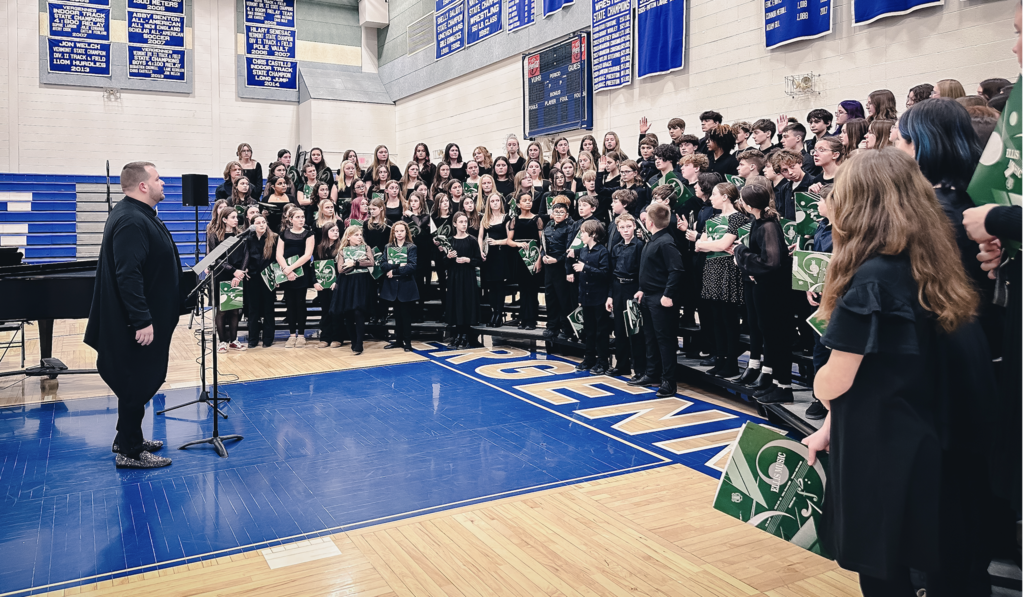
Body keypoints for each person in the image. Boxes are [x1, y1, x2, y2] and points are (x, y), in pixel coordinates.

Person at [801, 149, 991, 596]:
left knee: (886, 572)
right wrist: (831, 426)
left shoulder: (871, 277)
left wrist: (823, 393)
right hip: (933, 439)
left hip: (885, 448)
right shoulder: (932, 263)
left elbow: (834, 381)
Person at [85, 161, 181, 469]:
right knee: (135, 381)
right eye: (157, 178)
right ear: (143, 186)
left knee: (135, 381)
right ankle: (130, 451)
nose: (163, 182)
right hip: (135, 322)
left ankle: (126, 436)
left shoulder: (136, 214)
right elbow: (128, 275)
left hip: (145, 317)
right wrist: (142, 320)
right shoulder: (130, 220)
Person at [732, 183, 792, 403]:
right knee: (769, 335)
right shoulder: (760, 221)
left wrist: (741, 251)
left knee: (777, 336)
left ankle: (784, 386)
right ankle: (776, 382)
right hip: (764, 287)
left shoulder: (767, 225)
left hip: (773, 290)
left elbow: (771, 262)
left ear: (748, 205)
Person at [629, 202, 684, 398]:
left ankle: (669, 381)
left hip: (662, 298)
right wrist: (642, 289)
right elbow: (651, 270)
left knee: (665, 340)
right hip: (649, 295)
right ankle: (652, 373)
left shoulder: (666, 242)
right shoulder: (653, 240)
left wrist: (668, 295)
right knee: (650, 337)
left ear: (650, 222)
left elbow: (676, 270)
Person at [694, 183, 745, 378]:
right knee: (715, 318)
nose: (711, 198)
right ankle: (720, 357)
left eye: (714, 194)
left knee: (728, 318)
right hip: (712, 268)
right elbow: (699, 245)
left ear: (725, 197)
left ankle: (731, 361)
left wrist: (713, 244)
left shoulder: (738, 218)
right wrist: (716, 245)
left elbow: (724, 243)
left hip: (728, 269)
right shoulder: (713, 219)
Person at [606, 211, 646, 379]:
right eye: (622, 227)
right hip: (618, 288)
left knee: (635, 330)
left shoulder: (640, 246)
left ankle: (639, 369)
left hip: (633, 288)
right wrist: (610, 295)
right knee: (620, 330)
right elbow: (611, 273)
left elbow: (643, 271)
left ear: (634, 226)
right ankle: (621, 365)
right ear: (618, 229)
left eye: (629, 226)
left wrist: (641, 289)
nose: (626, 230)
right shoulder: (616, 247)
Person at [572, 220, 611, 373]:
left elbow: (605, 273)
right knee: (588, 330)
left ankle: (602, 362)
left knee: (601, 331)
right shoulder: (582, 251)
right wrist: (580, 298)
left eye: (583, 232)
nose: (581, 235)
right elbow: (582, 279)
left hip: (599, 297)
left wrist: (585, 268)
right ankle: (589, 358)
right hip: (586, 297)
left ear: (593, 234)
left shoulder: (602, 251)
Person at [207, 205, 247, 352]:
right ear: (224, 219)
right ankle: (222, 341)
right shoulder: (215, 235)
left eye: (237, 217)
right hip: (222, 273)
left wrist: (241, 271)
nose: (236, 220)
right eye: (233, 218)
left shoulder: (240, 234)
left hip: (238, 274)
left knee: (235, 308)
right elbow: (216, 258)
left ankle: (234, 340)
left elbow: (246, 254)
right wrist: (234, 270)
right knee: (223, 309)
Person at [331, 225, 376, 355]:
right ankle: (353, 340)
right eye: (356, 235)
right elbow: (340, 269)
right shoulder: (342, 251)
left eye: (360, 234)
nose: (359, 237)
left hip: (362, 282)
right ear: (348, 236)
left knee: (359, 312)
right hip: (347, 283)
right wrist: (354, 263)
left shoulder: (366, 248)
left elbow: (371, 262)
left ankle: (359, 343)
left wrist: (354, 263)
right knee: (348, 313)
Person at [276, 208, 314, 348]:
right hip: (287, 274)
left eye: (303, 217)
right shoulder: (283, 234)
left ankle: (302, 335)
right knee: (290, 305)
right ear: (290, 219)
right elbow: (279, 254)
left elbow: (307, 255)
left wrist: (291, 269)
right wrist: (286, 269)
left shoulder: (308, 234)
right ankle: (292, 335)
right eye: (297, 217)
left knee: (300, 304)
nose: (301, 219)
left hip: (301, 272)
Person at [380, 221, 419, 351]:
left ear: (406, 232)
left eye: (402, 231)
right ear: (393, 233)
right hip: (392, 287)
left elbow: (412, 266)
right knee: (396, 315)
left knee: (406, 316)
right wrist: (399, 265)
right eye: (397, 231)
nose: (399, 233)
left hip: (406, 286)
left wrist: (395, 271)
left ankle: (407, 342)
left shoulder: (411, 247)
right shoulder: (388, 246)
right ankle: (398, 340)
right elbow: (383, 264)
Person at [507, 192, 544, 329]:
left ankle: (531, 320)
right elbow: (509, 241)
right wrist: (519, 244)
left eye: (530, 200)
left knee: (532, 289)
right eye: (525, 200)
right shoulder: (515, 220)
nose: (528, 202)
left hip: (533, 258)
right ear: (518, 204)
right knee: (523, 290)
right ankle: (523, 319)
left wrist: (538, 259)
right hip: (520, 258)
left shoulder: (537, 219)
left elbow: (542, 242)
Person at [445, 212, 482, 347]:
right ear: (454, 224)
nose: (463, 224)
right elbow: (444, 263)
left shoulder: (472, 240)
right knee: (456, 303)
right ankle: (457, 334)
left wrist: (468, 260)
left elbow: (478, 260)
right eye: (460, 222)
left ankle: (465, 334)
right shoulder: (450, 240)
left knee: (466, 304)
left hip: (467, 276)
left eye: (465, 222)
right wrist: (448, 257)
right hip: (454, 276)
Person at [241, 214, 277, 349]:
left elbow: (275, 259)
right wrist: (244, 270)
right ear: (252, 225)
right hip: (253, 277)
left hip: (268, 276)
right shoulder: (248, 239)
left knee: (268, 309)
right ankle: (253, 338)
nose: (261, 225)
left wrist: (276, 277)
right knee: (253, 309)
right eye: (258, 222)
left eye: (263, 222)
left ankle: (268, 338)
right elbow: (246, 257)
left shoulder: (273, 238)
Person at [542, 198, 573, 340]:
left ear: (566, 214)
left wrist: (557, 259)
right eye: (556, 212)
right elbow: (543, 243)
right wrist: (542, 256)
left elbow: (570, 249)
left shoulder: (569, 227)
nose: (558, 214)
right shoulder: (548, 225)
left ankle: (566, 329)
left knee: (564, 299)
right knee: (550, 297)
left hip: (562, 266)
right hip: (548, 267)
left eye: (562, 212)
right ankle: (551, 326)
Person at [479, 193, 511, 327]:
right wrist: (480, 250)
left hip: (501, 255)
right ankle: (493, 312)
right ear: (489, 204)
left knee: (499, 286)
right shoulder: (485, 219)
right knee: (491, 287)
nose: (495, 203)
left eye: (497, 200)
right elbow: (480, 237)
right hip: (488, 256)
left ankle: (499, 313)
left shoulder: (506, 217)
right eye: (492, 201)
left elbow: (510, 238)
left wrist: (497, 242)